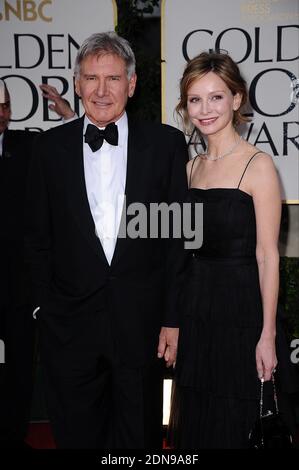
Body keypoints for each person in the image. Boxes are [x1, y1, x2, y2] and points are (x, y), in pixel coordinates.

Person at [25, 31, 189, 449]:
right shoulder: (48, 150)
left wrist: (172, 317)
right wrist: (46, 309)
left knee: (139, 441)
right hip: (70, 331)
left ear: (131, 85)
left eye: (113, 78)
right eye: (91, 78)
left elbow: (176, 240)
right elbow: (36, 239)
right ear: (77, 83)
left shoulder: (166, 145)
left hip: (143, 327)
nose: (101, 90)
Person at [168, 51, 298, 449]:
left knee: (239, 418)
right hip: (195, 309)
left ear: (237, 99)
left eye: (216, 97)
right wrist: (170, 320)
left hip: (241, 310)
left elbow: (267, 256)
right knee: (197, 416)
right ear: (185, 106)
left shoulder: (258, 166)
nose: (204, 109)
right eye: (194, 99)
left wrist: (267, 335)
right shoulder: (188, 169)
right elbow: (176, 251)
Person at [0, 78, 75, 448]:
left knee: (20, 369)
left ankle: (14, 436)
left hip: (18, 286)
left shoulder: (26, 144)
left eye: (4, 106)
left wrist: (67, 115)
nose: (0, 113)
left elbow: (70, 147)